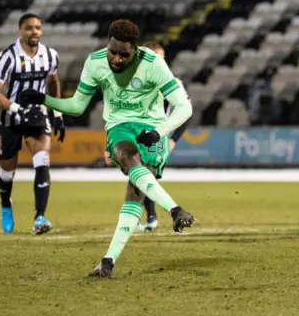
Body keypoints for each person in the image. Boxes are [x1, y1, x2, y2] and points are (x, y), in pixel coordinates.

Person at [18, 20, 194, 278]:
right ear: (108, 43)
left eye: (124, 54)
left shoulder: (153, 64)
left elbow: (184, 107)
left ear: (135, 49)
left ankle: (108, 262)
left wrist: (160, 132)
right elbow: (78, 106)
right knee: (127, 155)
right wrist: (44, 100)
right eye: (113, 51)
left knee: (135, 194)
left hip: (152, 129)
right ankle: (175, 210)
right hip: (119, 126)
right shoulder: (95, 62)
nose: (117, 58)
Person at [0, 13, 65, 235]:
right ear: (20, 31)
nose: (34, 32)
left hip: (36, 116)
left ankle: (39, 217)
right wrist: (16, 108)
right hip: (9, 116)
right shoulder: (8, 56)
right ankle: (6, 204)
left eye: (38, 27)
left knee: (42, 157)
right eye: (29, 28)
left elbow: (53, 81)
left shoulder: (50, 55)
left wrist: (57, 112)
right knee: (7, 170)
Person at [103, 41, 192, 232]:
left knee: (145, 173)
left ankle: (147, 216)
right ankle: (147, 216)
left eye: (161, 58)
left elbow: (184, 111)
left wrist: (173, 137)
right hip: (133, 132)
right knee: (141, 173)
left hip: (157, 136)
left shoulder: (172, 83)